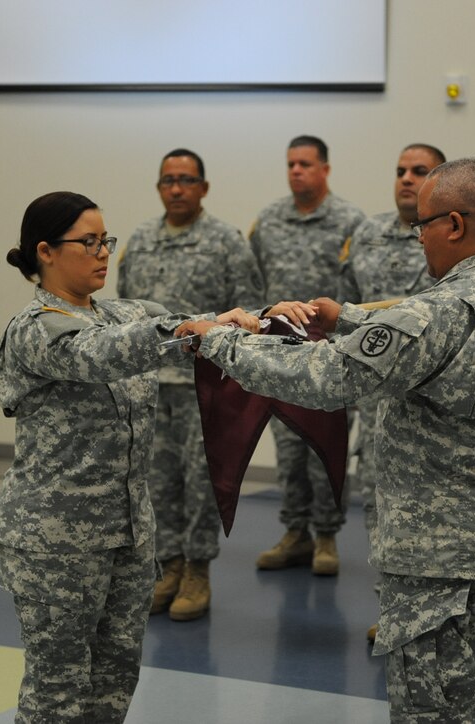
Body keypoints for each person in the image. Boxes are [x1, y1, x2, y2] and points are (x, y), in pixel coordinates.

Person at [178, 157, 475, 723]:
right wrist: (350, 319)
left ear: (454, 225)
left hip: (444, 562)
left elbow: (327, 379)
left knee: (436, 712)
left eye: (423, 226)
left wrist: (219, 343)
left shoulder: (440, 310)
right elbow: (426, 351)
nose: (419, 239)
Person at [0, 191, 257, 722]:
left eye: (105, 240)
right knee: (57, 695)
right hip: (57, 542)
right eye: (87, 242)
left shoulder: (121, 312)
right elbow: (100, 354)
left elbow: (185, 320)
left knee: (113, 684)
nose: (102, 252)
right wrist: (181, 331)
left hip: (128, 535)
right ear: (45, 251)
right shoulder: (36, 326)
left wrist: (256, 318)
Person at [116, 149, 264, 622]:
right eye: (167, 180)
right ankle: (168, 565)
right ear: (158, 187)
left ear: (204, 187)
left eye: (186, 180)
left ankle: (198, 569)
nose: (176, 188)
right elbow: (126, 311)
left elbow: (249, 311)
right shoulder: (139, 240)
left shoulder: (225, 242)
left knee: (200, 482)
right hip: (150, 382)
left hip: (204, 382)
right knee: (155, 480)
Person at [339, 142, 445, 643]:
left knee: (429, 508)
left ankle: (432, 611)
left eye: (419, 171)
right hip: (375, 401)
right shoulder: (367, 234)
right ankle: (392, 609)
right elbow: (347, 306)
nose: (406, 178)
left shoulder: (450, 234)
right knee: (378, 507)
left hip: (428, 397)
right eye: (400, 170)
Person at [248, 135, 366, 576]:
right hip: (280, 354)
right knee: (289, 452)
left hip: (330, 357)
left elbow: (357, 291)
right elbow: (254, 282)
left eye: (305, 164)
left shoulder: (351, 222)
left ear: (325, 169)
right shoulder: (269, 221)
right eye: (291, 163)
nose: (297, 171)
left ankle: (328, 537)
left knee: (326, 450)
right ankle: (295, 532)